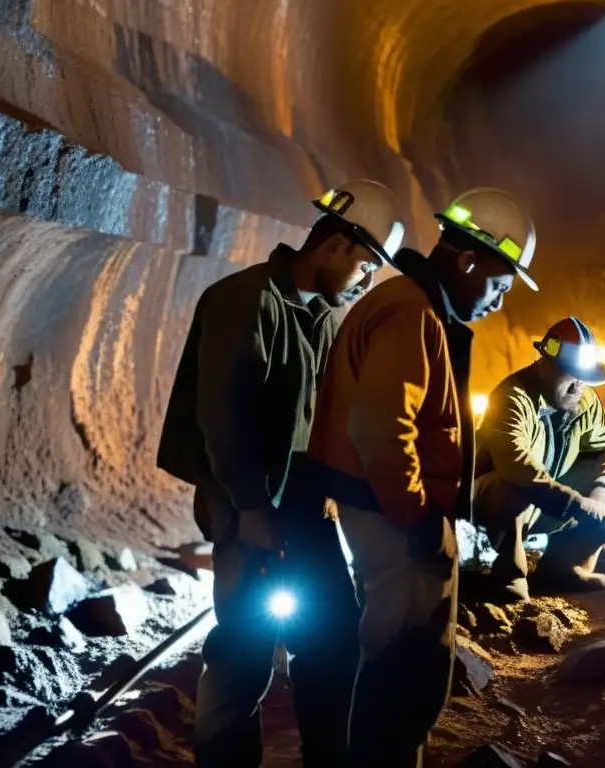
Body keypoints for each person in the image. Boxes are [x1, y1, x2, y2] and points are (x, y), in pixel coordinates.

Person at [156, 179, 406, 767]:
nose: (365, 280)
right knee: (245, 650)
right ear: (338, 246)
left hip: (299, 505)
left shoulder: (321, 314)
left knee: (335, 639)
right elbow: (224, 414)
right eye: (367, 266)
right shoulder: (246, 301)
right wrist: (249, 508)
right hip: (247, 505)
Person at [303, 187, 539, 766]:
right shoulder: (410, 312)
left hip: (387, 512)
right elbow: (382, 426)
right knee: (404, 667)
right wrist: (417, 520)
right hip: (394, 519)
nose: (499, 301)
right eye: (499, 284)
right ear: (468, 261)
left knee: (399, 662)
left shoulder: (415, 307)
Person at [473, 317, 605, 602]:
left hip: (547, 501)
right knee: (508, 488)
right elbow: (517, 466)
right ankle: (510, 571)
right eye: (570, 377)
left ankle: (563, 566)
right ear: (544, 365)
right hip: (493, 503)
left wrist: (601, 496)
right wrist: (577, 504)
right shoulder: (513, 397)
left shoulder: (584, 402)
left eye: (583, 380)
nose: (578, 388)